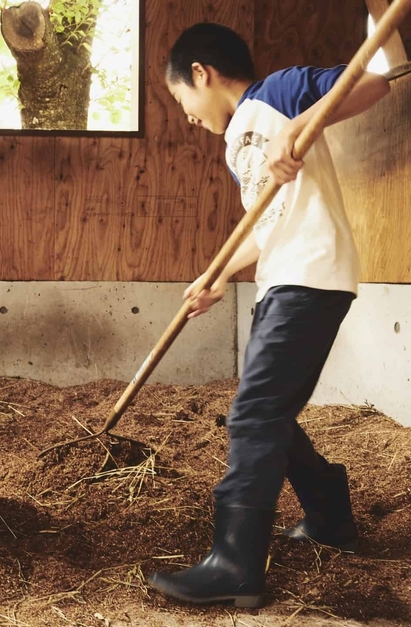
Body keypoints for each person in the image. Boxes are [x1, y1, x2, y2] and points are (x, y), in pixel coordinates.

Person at [150, 23, 390, 607]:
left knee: (255, 413)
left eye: (181, 98)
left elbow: (374, 84)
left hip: (311, 275)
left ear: (201, 73)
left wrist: (300, 126)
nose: (187, 116)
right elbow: (266, 225)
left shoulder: (276, 94)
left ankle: (235, 563)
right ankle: (329, 515)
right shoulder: (237, 143)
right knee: (265, 411)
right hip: (281, 277)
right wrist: (218, 276)